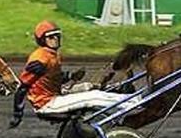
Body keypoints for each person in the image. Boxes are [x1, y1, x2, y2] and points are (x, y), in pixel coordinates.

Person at [9, 21, 139, 128]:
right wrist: (17, 114)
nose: (55, 39)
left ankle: (125, 95)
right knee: (93, 96)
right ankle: (134, 102)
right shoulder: (39, 59)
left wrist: (71, 76)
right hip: (47, 104)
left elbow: (52, 77)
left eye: (57, 36)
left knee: (90, 87)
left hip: (56, 95)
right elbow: (22, 87)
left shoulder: (53, 55)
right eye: (51, 37)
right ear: (42, 40)